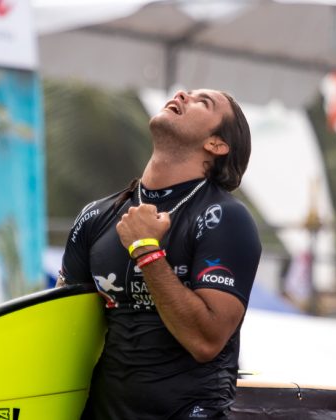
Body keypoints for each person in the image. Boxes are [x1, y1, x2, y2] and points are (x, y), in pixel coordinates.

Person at [57, 89, 262, 419]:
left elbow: (205, 341)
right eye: (187, 92)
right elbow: (61, 328)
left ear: (217, 144)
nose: (182, 94)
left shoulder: (226, 219)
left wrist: (146, 250)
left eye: (202, 102)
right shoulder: (96, 217)